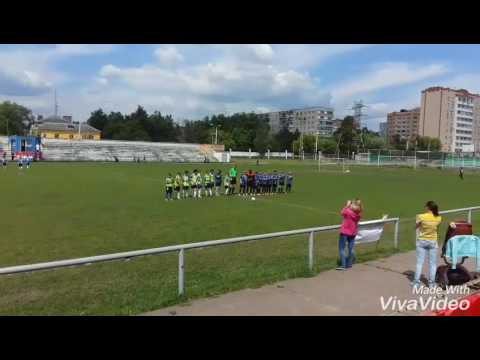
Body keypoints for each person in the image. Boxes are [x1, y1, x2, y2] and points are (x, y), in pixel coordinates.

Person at [413, 201, 442, 288]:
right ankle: (431, 284)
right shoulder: (438, 218)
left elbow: (416, 226)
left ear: (428, 207)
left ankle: (416, 283)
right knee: (432, 264)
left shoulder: (421, 216)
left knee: (419, 263)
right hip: (432, 241)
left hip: (422, 241)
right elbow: (436, 228)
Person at [337, 199, 362, 271]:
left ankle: (343, 266)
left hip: (345, 232)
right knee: (351, 248)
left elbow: (342, 212)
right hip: (353, 233)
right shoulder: (358, 215)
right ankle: (349, 263)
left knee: (341, 248)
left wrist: (347, 205)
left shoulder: (348, 212)